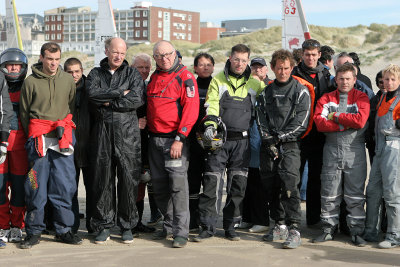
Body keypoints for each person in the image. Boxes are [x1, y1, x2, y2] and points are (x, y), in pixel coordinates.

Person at [194, 44, 263, 242]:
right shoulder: (218, 80)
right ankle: (207, 227)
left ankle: (231, 226)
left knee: (238, 186)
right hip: (219, 141)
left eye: (243, 60)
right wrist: (210, 123)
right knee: (211, 184)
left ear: (247, 61)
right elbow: (212, 103)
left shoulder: (255, 84)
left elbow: (267, 106)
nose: (239, 63)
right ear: (230, 59)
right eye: (236, 59)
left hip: (242, 143)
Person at [19, 42, 81, 249]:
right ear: (42, 58)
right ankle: (34, 231)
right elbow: (25, 113)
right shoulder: (30, 82)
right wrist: (36, 133)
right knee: (35, 185)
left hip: (63, 137)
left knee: (64, 185)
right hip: (38, 138)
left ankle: (63, 230)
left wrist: (62, 127)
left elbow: (71, 106)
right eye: (50, 59)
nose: (54, 63)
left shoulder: (67, 80)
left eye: (57, 59)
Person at [86, 37, 144, 244]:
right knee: (103, 180)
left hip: (127, 133)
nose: (118, 56)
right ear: (106, 51)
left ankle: (127, 225)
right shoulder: (95, 73)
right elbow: (92, 95)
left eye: (122, 52)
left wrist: (107, 101)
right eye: (114, 52)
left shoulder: (133, 73)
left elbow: (136, 99)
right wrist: (120, 93)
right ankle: (103, 224)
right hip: (101, 132)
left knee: (128, 180)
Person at [256, 49, 311, 249]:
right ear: (272, 68)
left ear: (292, 67)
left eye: (286, 68)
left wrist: (280, 138)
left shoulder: (301, 90)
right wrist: (268, 140)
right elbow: (260, 118)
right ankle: (279, 224)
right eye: (279, 68)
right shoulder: (265, 92)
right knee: (271, 185)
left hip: (290, 146)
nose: (283, 72)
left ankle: (294, 228)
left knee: (290, 186)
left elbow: (302, 122)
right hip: (268, 146)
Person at [146, 40, 199, 248]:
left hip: (174, 141)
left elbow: (191, 110)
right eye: (159, 56)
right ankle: (167, 225)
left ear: (175, 54)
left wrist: (180, 138)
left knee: (178, 187)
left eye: (168, 54)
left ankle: (180, 232)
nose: (164, 59)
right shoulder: (154, 77)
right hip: (154, 140)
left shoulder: (186, 78)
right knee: (158, 186)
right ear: (155, 59)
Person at [312, 63, 370, 247]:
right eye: (341, 79)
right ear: (335, 79)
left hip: (355, 151)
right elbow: (319, 123)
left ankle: (356, 232)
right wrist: (346, 123)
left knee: (355, 195)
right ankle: (328, 230)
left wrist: (335, 116)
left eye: (348, 79)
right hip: (331, 149)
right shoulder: (326, 98)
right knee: (329, 193)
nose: (344, 82)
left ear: (355, 79)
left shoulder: (362, 97)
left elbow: (360, 121)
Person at [291, 39, 332, 226]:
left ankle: (313, 219)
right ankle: (292, 219)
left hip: (319, 135)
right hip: (298, 134)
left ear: (319, 55)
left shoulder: (325, 74)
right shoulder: (294, 73)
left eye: (314, 54)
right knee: (294, 178)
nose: (310, 58)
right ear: (302, 54)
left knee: (316, 178)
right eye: (307, 54)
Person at [364, 64, 400, 248]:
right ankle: (370, 231)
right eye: (386, 79)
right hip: (379, 149)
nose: (389, 82)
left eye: (393, 79)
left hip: (394, 150)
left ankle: (394, 235)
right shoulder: (382, 98)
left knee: (392, 194)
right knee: (372, 192)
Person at [238, 56, 271, 233]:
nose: (257, 70)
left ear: (266, 70)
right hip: (246, 138)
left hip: (259, 139)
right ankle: (247, 217)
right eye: (254, 67)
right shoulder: (247, 85)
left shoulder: (268, 88)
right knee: (246, 180)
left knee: (258, 182)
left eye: (261, 67)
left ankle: (262, 219)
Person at [63, 57, 92, 234]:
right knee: (70, 189)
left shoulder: (91, 88)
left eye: (77, 71)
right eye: (70, 72)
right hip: (69, 147)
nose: (74, 75)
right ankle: (72, 224)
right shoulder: (62, 89)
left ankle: (92, 224)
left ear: (82, 71)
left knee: (92, 189)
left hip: (90, 146)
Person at [187, 52, 215, 231]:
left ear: (213, 66)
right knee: (192, 182)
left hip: (212, 141)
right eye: (201, 65)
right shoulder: (191, 86)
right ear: (195, 68)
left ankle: (207, 220)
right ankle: (192, 220)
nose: (205, 67)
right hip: (192, 140)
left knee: (210, 182)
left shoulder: (217, 84)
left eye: (208, 64)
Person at [130, 53, 157, 235]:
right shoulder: (127, 85)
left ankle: (137, 221)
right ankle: (130, 222)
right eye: (141, 67)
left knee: (142, 182)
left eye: (147, 67)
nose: (145, 71)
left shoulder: (148, 86)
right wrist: (134, 122)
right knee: (130, 184)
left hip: (147, 142)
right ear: (133, 68)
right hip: (130, 142)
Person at [0, 49, 20, 248]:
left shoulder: (29, 85)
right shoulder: (0, 84)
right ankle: (3, 225)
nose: (14, 68)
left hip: (22, 146)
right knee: (0, 186)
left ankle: (18, 224)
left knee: (23, 186)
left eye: (17, 65)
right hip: (2, 144)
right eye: (10, 65)